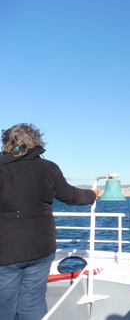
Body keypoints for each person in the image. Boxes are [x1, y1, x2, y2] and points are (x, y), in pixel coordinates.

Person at [0, 123, 99, 320]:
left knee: (4, 305)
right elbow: (71, 195)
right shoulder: (49, 168)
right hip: (41, 246)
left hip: (7, 250)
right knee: (34, 301)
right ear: (36, 142)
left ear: (7, 143)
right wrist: (92, 195)